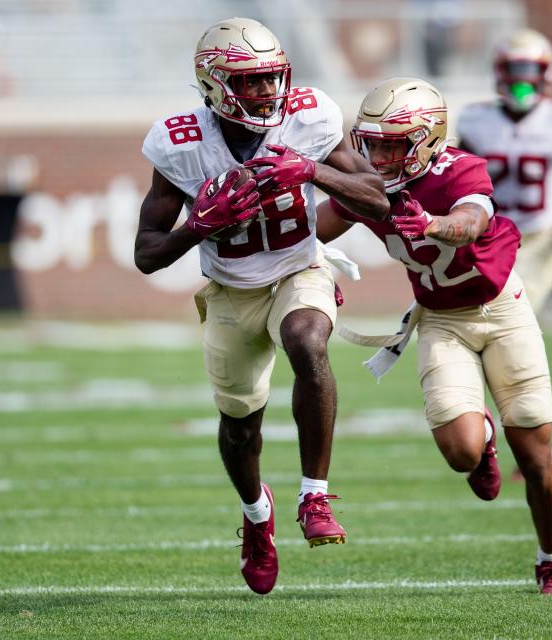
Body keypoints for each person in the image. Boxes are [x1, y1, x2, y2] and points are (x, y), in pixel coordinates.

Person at [133, 18, 389, 595]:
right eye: (249, 82)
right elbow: (147, 255)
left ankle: (314, 496)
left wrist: (312, 169)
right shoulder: (179, 141)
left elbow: (376, 197)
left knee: (307, 339)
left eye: (272, 78)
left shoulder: (312, 116)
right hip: (230, 289)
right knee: (240, 427)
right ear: (215, 84)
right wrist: (198, 226)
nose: (266, 92)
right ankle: (255, 516)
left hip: (299, 268)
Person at [318, 77, 552, 595]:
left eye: (393, 142)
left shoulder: (460, 167)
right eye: (372, 142)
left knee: (537, 455)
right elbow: (310, 232)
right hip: (441, 318)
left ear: (427, 139)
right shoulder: (368, 188)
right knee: (461, 452)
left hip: (503, 309)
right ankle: (483, 439)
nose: (380, 155)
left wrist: (432, 224)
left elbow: (471, 221)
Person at [457, 29, 552, 312]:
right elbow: (458, 178)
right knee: (483, 316)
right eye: (514, 68)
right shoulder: (477, 120)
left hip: (540, 238)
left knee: (513, 314)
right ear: (500, 71)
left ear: (548, 72)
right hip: (488, 235)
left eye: (531, 68)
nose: (522, 77)